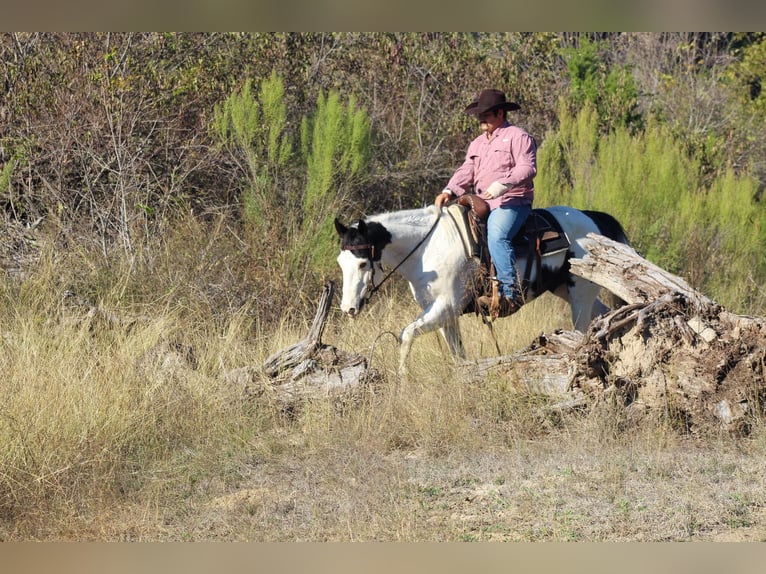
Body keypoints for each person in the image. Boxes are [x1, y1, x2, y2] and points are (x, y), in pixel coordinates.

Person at [434, 88, 537, 317]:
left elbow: (527, 167)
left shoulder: (519, 137)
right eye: (479, 114)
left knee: (497, 235)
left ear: (501, 113)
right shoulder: (478, 143)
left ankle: (511, 294)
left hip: (511, 201)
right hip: (481, 201)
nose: (481, 118)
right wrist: (449, 190)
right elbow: (467, 170)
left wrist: (503, 184)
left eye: (487, 114)